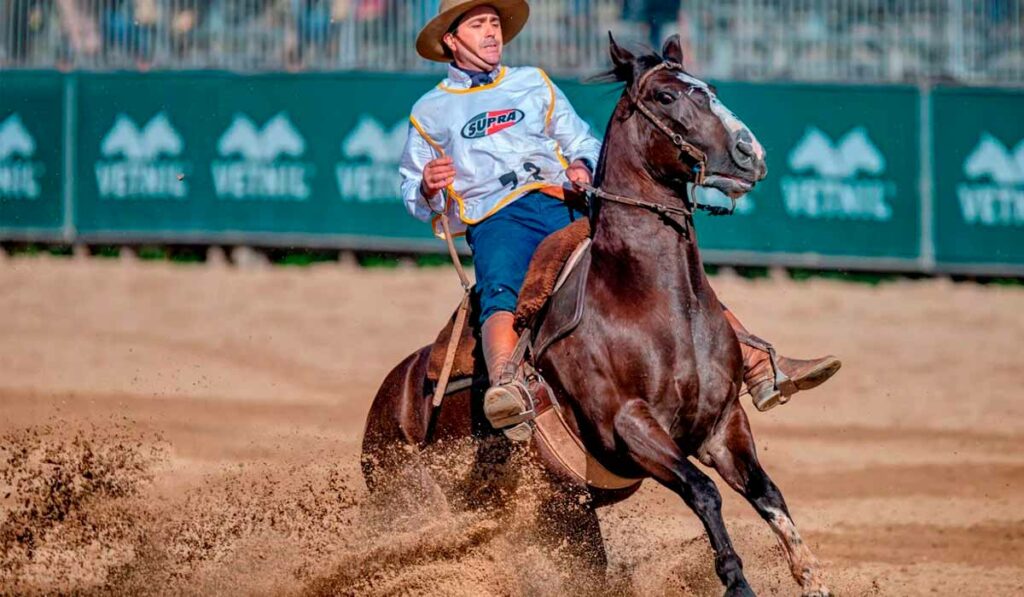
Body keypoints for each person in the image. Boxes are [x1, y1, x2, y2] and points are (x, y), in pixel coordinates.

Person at [399, 0, 840, 440]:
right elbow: (411, 195)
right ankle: (506, 386)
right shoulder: (429, 111)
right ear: (451, 40)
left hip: (562, 200)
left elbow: (583, 141)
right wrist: (426, 186)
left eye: (494, 23)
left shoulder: (533, 83)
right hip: (497, 217)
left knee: (656, 269)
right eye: (478, 26)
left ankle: (760, 364)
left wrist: (581, 167)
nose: (492, 33)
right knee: (501, 288)